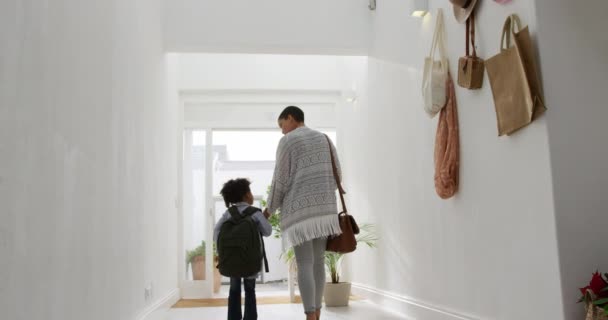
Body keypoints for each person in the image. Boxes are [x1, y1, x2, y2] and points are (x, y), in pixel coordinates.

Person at [263, 106, 343, 320]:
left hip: (300, 215)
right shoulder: (325, 138)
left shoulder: (288, 142)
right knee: (318, 263)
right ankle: (316, 312)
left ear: (291, 118)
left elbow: (280, 180)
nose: (282, 131)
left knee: (305, 264)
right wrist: (321, 195)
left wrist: (269, 209)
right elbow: (339, 176)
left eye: (282, 125)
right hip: (325, 213)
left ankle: (310, 316)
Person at [214, 178, 272, 320]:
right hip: (250, 260)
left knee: (234, 290)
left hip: (232, 260)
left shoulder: (229, 213)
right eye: (250, 192)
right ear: (246, 195)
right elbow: (268, 231)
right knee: (250, 290)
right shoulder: (255, 213)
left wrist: (220, 252)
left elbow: (216, 231)